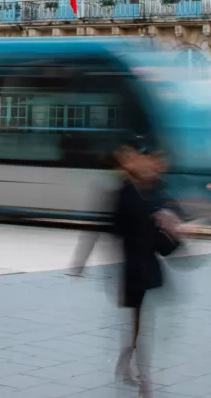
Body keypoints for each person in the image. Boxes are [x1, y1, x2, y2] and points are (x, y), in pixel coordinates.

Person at [75, 146, 179, 396]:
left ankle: (127, 363)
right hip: (130, 268)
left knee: (141, 325)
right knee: (141, 326)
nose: (152, 166)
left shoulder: (158, 191)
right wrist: (81, 259)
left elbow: (172, 237)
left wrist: (174, 226)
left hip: (150, 267)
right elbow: (104, 226)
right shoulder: (122, 192)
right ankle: (144, 380)